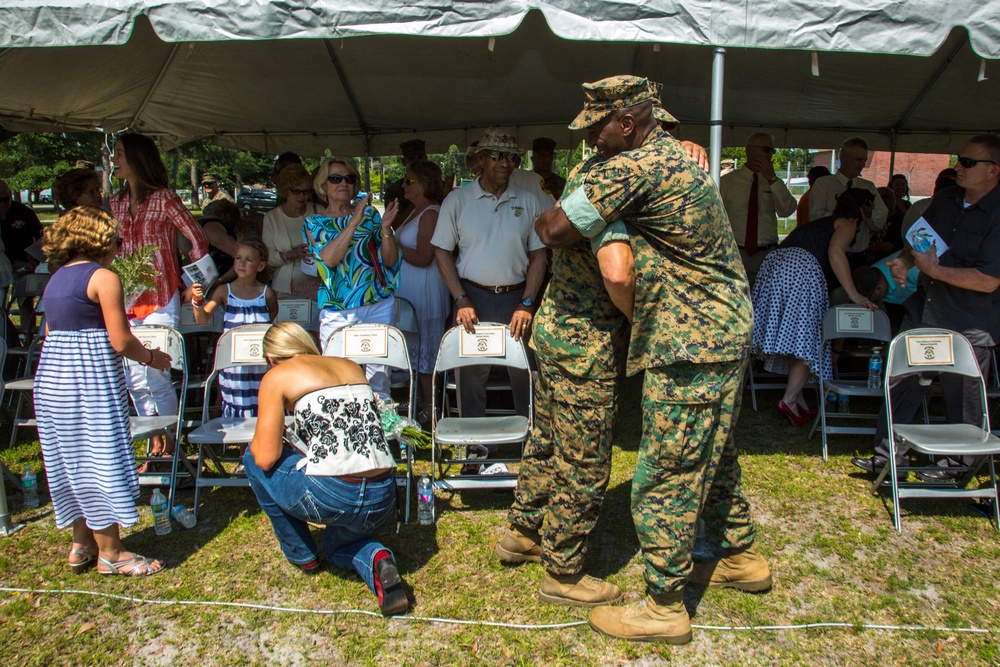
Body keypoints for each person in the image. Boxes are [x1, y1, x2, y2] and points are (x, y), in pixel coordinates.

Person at [534, 74, 769, 644]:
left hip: (689, 340)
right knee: (713, 448)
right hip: (722, 330)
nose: (592, 142)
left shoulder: (633, 168)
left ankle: (664, 606)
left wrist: (557, 210)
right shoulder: (676, 158)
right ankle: (739, 556)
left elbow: (553, 228)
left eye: (597, 129)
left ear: (626, 123)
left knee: (666, 471)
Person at [497, 98, 712, 608]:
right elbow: (618, 271)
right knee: (585, 460)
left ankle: (524, 532)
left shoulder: (591, 172)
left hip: (555, 331)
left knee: (547, 437)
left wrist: (685, 148)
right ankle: (564, 573)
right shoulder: (611, 188)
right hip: (585, 345)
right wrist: (646, 323)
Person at [854, 135, 1000, 481]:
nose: (958, 167)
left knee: (962, 396)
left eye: (967, 162)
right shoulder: (948, 198)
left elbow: (989, 280)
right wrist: (905, 262)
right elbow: (920, 240)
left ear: (993, 171)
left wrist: (934, 270)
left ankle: (956, 466)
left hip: (969, 321)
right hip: (926, 309)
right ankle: (889, 458)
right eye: (958, 159)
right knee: (901, 381)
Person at [35, 206, 171, 576]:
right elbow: (120, 339)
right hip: (88, 383)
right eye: (117, 238)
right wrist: (152, 358)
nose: (120, 245)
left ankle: (81, 543)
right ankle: (111, 551)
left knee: (72, 461)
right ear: (101, 239)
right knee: (100, 458)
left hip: (52, 381)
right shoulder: (103, 278)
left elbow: (51, 335)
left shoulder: (55, 279)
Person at [243, 322, 408, 615]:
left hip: (335, 491)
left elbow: (266, 458)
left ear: (271, 358)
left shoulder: (277, 376)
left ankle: (302, 554)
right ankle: (377, 558)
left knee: (251, 458)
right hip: (383, 495)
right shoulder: (349, 365)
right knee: (336, 547)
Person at [432, 128, 549, 419]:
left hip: (516, 300)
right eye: (496, 156)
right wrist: (460, 299)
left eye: (511, 157)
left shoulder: (528, 199)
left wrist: (527, 303)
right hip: (472, 299)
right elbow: (441, 251)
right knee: (470, 376)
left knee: (525, 373)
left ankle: (530, 444)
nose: (505, 163)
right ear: (481, 159)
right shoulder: (457, 201)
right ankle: (474, 449)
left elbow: (539, 255)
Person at [110, 133, 210, 462]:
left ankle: (172, 445)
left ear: (138, 158)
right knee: (131, 377)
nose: (115, 159)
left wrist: (189, 282)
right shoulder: (115, 203)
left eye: (121, 153)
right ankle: (155, 442)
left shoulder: (164, 199)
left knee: (157, 372)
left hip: (161, 295)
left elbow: (196, 239)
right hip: (125, 299)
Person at [753, 189, 881, 425]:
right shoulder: (847, 223)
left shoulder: (818, 224)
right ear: (857, 217)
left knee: (795, 338)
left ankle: (798, 399)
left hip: (774, 266)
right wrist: (854, 294)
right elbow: (835, 253)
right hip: (801, 270)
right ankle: (789, 400)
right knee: (809, 336)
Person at [303, 157, 400, 397]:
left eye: (349, 178)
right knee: (337, 381)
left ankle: (381, 429)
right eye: (335, 178)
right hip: (339, 309)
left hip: (377, 303)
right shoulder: (314, 222)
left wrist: (386, 230)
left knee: (379, 381)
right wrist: (353, 221)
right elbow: (329, 260)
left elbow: (389, 261)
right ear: (323, 185)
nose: (343, 183)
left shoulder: (370, 215)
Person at [192, 236, 278, 417]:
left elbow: (271, 316)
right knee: (238, 409)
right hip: (235, 364)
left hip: (259, 362)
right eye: (238, 258)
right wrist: (197, 301)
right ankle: (241, 446)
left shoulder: (266, 293)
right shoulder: (225, 291)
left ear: (260, 266)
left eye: (248, 260)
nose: (241, 263)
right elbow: (203, 318)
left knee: (262, 404)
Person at [394, 160, 450, 422]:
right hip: (410, 293)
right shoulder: (413, 210)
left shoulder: (431, 213)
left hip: (425, 293)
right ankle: (417, 403)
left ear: (425, 184)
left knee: (427, 353)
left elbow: (424, 256)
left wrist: (392, 248)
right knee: (414, 352)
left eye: (409, 180)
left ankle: (432, 408)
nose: (403, 184)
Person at [720, 133, 798, 285]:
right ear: (749, 150)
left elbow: (787, 210)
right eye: (766, 149)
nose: (770, 154)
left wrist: (772, 179)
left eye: (772, 151)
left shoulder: (773, 182)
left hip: (767, 253)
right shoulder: (727, 182)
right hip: (736, 253)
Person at [808, 138, 888, 265]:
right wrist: (841, 216)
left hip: (860, 256)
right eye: (858, 159)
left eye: (864, 160)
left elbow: (880, 222)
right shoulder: (823, 185)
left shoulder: (869, 187)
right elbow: (815, 219)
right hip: (830, 255)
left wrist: (869, 214)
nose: (862, 165)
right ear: (844, 158)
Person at [262, 163, 322, 299]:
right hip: (284, 288)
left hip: (318, 286)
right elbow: (268, 258)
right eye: (296, 191)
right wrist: (291, 254)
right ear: (285, 190)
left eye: (306, 191)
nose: (302, 196)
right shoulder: (272, 218)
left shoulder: (320, 212)